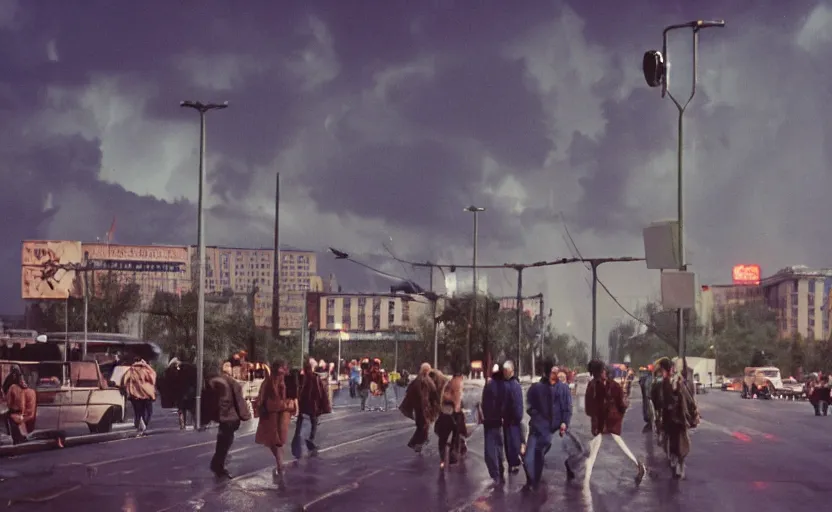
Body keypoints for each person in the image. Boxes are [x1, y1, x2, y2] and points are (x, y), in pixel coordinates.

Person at [583, 360, 646, 490]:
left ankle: (585, 481)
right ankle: (637, 466)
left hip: (603, 422)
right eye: (603, 370)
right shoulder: (611, 385)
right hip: (609, 421)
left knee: (593, 452)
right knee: (596, 450)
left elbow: (589, 408)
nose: (605, 372)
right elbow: (622, 404)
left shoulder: (593, 386)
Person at [523, 359, 572, 491]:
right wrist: (538, 416)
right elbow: (529, 407)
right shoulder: (536, 388)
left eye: (556, 371)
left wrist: (564, 423)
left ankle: (535, 483)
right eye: (551, 371)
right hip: (537, 428)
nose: (554, 374)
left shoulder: (563, 389)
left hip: (552, 430)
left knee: (541, 456)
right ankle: (532, 481)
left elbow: (567, 409)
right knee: (529, 459)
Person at [255, 359, 298, 487]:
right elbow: (293, 398)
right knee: (277, 443)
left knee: (276, 443)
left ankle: (280, 467)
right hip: (278, 414)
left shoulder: (271, 381)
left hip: (274, 414)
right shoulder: (279, 381)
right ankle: (280, 467)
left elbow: (261, 399)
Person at [205, 364, 252, 478]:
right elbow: (239, 401)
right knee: (226, 441)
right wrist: (246, 415)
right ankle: (217, 465)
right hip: (230, 417)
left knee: (222, 440)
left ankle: (218, 464)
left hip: (222, 416)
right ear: (230, 371)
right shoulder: (233, 383)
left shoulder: (215, 382)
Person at [658, 357, 700, 479]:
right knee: (673, 442)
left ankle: (680, 465)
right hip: (671, 418)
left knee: (680, 443)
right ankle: (676, 461)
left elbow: (686, 398)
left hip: (678, 418)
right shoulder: (665, 382)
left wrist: (693, 411)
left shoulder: (677, 382)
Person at [292, 358, 332, 459]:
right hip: (312, 404)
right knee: (313, 422)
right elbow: (320, 392)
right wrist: (324, 405)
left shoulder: (301, 377)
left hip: (303, 404)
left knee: (300, 424)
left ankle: (297, 447)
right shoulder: (314, 377)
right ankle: (310, 441)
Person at [400, 363, 441, 453]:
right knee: (424, 425)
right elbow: (434, 393)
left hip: (420, 407)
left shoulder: (418, 380)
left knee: (422, 425)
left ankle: (419, 442)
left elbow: (433, 393)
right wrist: (438, 403)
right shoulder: (425, 380)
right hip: (423, 407)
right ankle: (416, 443)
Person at [479, 363, 507, 485]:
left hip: (489, 422)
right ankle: (500, 470)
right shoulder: (505, 386)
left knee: (490, 449)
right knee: (499, 446)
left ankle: (495, 475)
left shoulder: (489, 386)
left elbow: (484, 404)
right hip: (500, 421)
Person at [435, 367, 465, 469]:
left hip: (444, 412)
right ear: (460, 376)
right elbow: (457, 400)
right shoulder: (458, 383)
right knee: (456, 435)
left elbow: (442, 397)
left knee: (442, 438)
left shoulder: (448, 383)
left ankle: (442, 460)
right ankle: (452, 457)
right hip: (453, 413)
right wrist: (458, 412)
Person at [121, 357, 157, 437]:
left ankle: (138, 427)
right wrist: (147, 366)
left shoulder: (131, 370)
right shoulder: (146, 369)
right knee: (149, 412)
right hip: (146, 394)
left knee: (138, 413)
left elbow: (124, 380)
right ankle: (144, 427)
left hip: (135, 394)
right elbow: (153, 378)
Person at [2, 366, 35, 445]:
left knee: (7, 416)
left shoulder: (13, 387)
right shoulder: (31, 391)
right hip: (27, 414)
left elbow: (9, 404)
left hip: (19, 414)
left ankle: (14, 437)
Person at [501, 360, 524, 474]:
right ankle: (513, 463)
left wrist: (517, 417)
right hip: (510, 419)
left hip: (512, 420)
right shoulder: (513, 385)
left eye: (506, 371)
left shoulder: (512, 385)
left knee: (512, 441)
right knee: (510, 441)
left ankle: (514, 463)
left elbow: (517, 404)